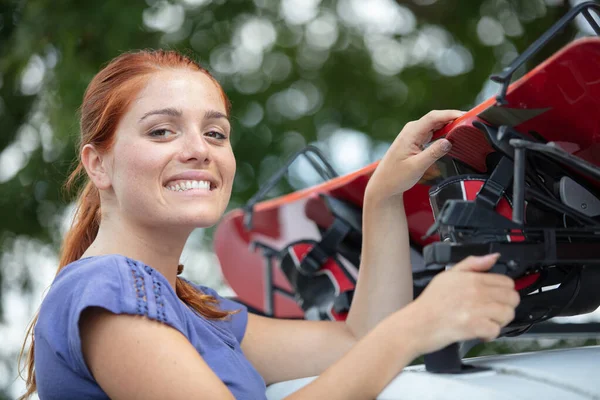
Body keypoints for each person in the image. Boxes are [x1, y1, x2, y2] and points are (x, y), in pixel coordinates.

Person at [18, 49, 519, 400]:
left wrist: (382, 198)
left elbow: (358, 341)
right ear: (98, 165)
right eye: (161, 130)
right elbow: (388, 340)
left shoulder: (197, 308)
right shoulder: (105, 289)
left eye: (215, 132)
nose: (199, 149)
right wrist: (416, 328)